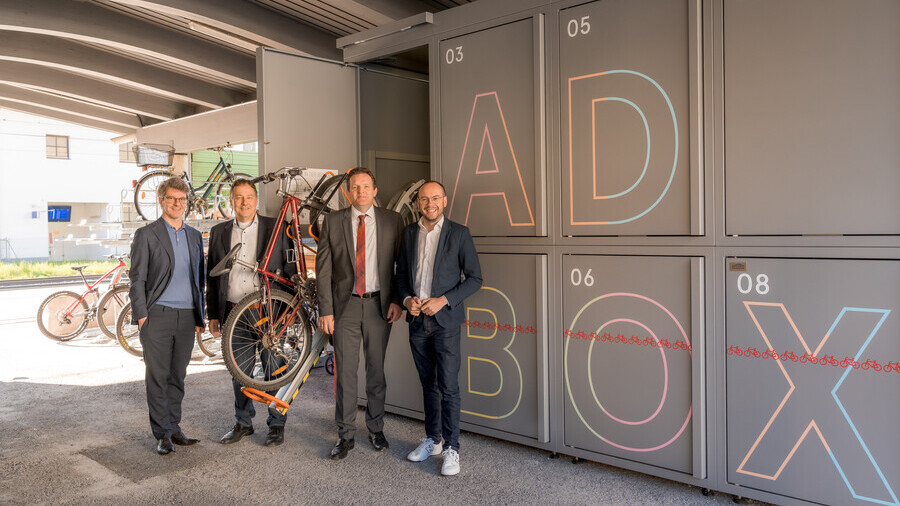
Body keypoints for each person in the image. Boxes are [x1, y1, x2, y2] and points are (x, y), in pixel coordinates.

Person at [315, 167, 404, 460]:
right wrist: (325, 309)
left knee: (376, 372)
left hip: (380, 306)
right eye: (355, 187)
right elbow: (324, 268)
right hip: (346, 308)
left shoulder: (393, 221)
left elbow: (400, 266)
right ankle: (345, 434)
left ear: (375, 190)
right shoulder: (332, 221)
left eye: (366, 187)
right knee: (346, 375)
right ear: (347, 192)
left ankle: (376, 429)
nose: (361, 192)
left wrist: (397, 301)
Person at [396, 180, 482, 476]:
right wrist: (407, 299)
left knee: (448, 387)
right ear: (417, 203)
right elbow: (401, 276)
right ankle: (432, 439)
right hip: (417, 322)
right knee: (428, 385)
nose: (429, 203)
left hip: (445, 323)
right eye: (424, 199)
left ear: (444, 201)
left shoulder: (459, 233)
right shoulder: (409, 233)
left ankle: (452, 449)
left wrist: (444, 300)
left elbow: (474, 279)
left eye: (435, 198)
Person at [207, 179, 294, 447]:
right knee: (239, 372)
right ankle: (243, 423)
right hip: (234, 312)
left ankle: (276, 424)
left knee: (274, 368)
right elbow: (212, 275)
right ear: (231, 201)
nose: (244, 202)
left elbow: (290, 271)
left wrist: (288, 311)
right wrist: (213, 314)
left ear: (256, 200)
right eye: (238, 197)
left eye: (249, 197)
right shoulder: (219, 231)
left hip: (267, 311)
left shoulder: (276, 228)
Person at [128, 176, 206, 455]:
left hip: (186, 317)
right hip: (157, 315)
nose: (177, 203)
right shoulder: (147, 234)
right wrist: (142, 317)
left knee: (178, 376)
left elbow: (199, 280)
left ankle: (174, 428)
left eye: (182, 199)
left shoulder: (195, 236)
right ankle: (161, 434)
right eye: (172, 198)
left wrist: (200, 315)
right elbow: (136, 279)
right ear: (162, 201)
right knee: (158, 376)